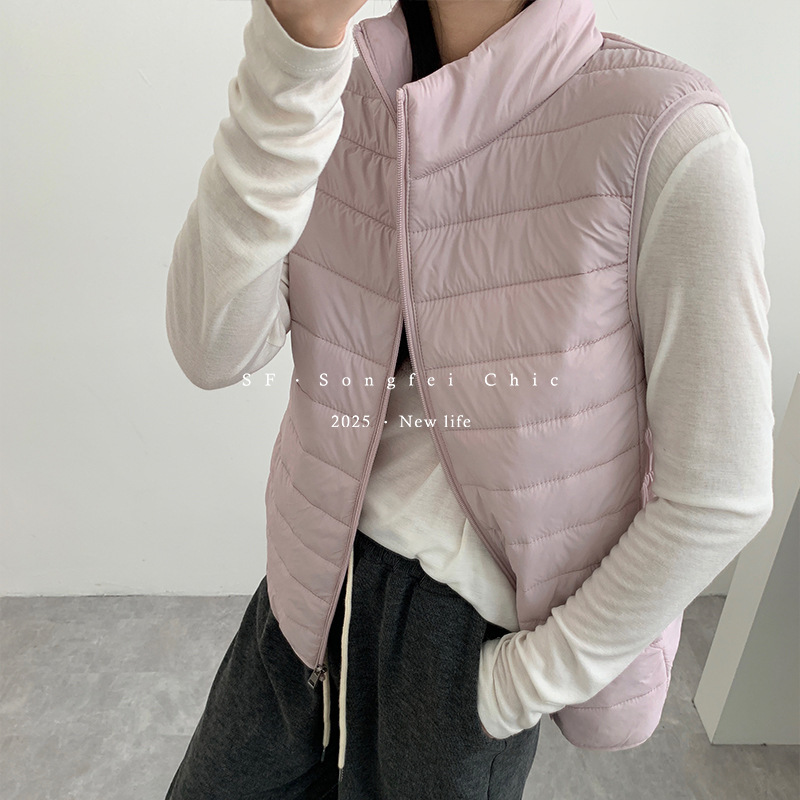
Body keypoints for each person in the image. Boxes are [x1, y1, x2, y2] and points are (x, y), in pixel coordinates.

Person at [163, 0, 774, 797]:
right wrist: (295, 53)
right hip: (305, 590)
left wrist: (508, 690)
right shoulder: (337, 89)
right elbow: (212, 349)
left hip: (458, 647)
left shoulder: (664, 133)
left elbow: (721, 493)